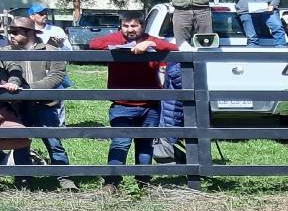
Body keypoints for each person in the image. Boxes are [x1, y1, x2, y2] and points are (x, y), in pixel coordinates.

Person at [89, 12, 178, 192]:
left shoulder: (150, 39)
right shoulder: (115, 39)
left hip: (150, 104)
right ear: (121, 26)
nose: (130, 30)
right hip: (122, 104)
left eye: (134, 26)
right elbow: (93, 44)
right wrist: (119, 46)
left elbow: (174, 47)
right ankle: (111, 182)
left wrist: (150, 44)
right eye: (126, 26)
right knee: (120, 143)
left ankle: (143, 183)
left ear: (142, 26)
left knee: (145, 144)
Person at [3, 18, 77, 191]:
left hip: (46, 104)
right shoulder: (5, 52)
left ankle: (65, 179)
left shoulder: (51, 50)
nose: (11, 36)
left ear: (29, 32)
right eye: (10, 32)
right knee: (21, 143)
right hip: (18, 106)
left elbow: (56, 76)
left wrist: (28, 90)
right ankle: (23, 180)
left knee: (54, 143)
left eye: (15, 32)